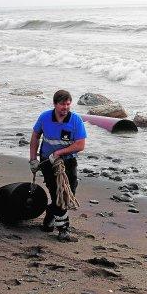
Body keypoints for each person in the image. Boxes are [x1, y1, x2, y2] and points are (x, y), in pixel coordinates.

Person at [29, 90, 87, 242]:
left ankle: (50, 214)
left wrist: (60, 153)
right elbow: (35, 136)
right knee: (56, 193)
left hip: (67, 161)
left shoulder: (75, 120)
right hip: (47, 162)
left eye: (68, 104)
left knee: (69, 193)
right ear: (55, 104)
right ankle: (63, 229)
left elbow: (80, 145)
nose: (65, 107)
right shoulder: (45, 117)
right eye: (62, 104)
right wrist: (33, 159)